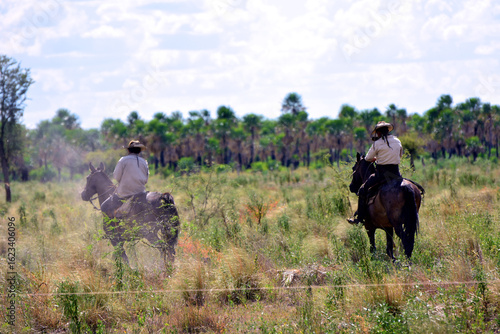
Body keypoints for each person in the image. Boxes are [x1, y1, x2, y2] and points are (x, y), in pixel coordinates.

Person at [348, 121, 403, 224]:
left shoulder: (377, 143)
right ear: (387, 130)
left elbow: (368, 158)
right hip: (396, 174)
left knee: (362, 190)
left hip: (381, 175)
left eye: (377, 132)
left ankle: (359, 218)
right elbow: (399, 155)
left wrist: (376, 158)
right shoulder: (397, 140)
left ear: (378, 133)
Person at [101, 140, 149, 219]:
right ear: (139, 151)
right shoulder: (144, 162)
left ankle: (113, 227)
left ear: (128, 150)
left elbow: (116, 177)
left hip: (124, 193)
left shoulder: (123, 160)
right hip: (141, 193)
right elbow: (146, 180)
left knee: (104, 206)